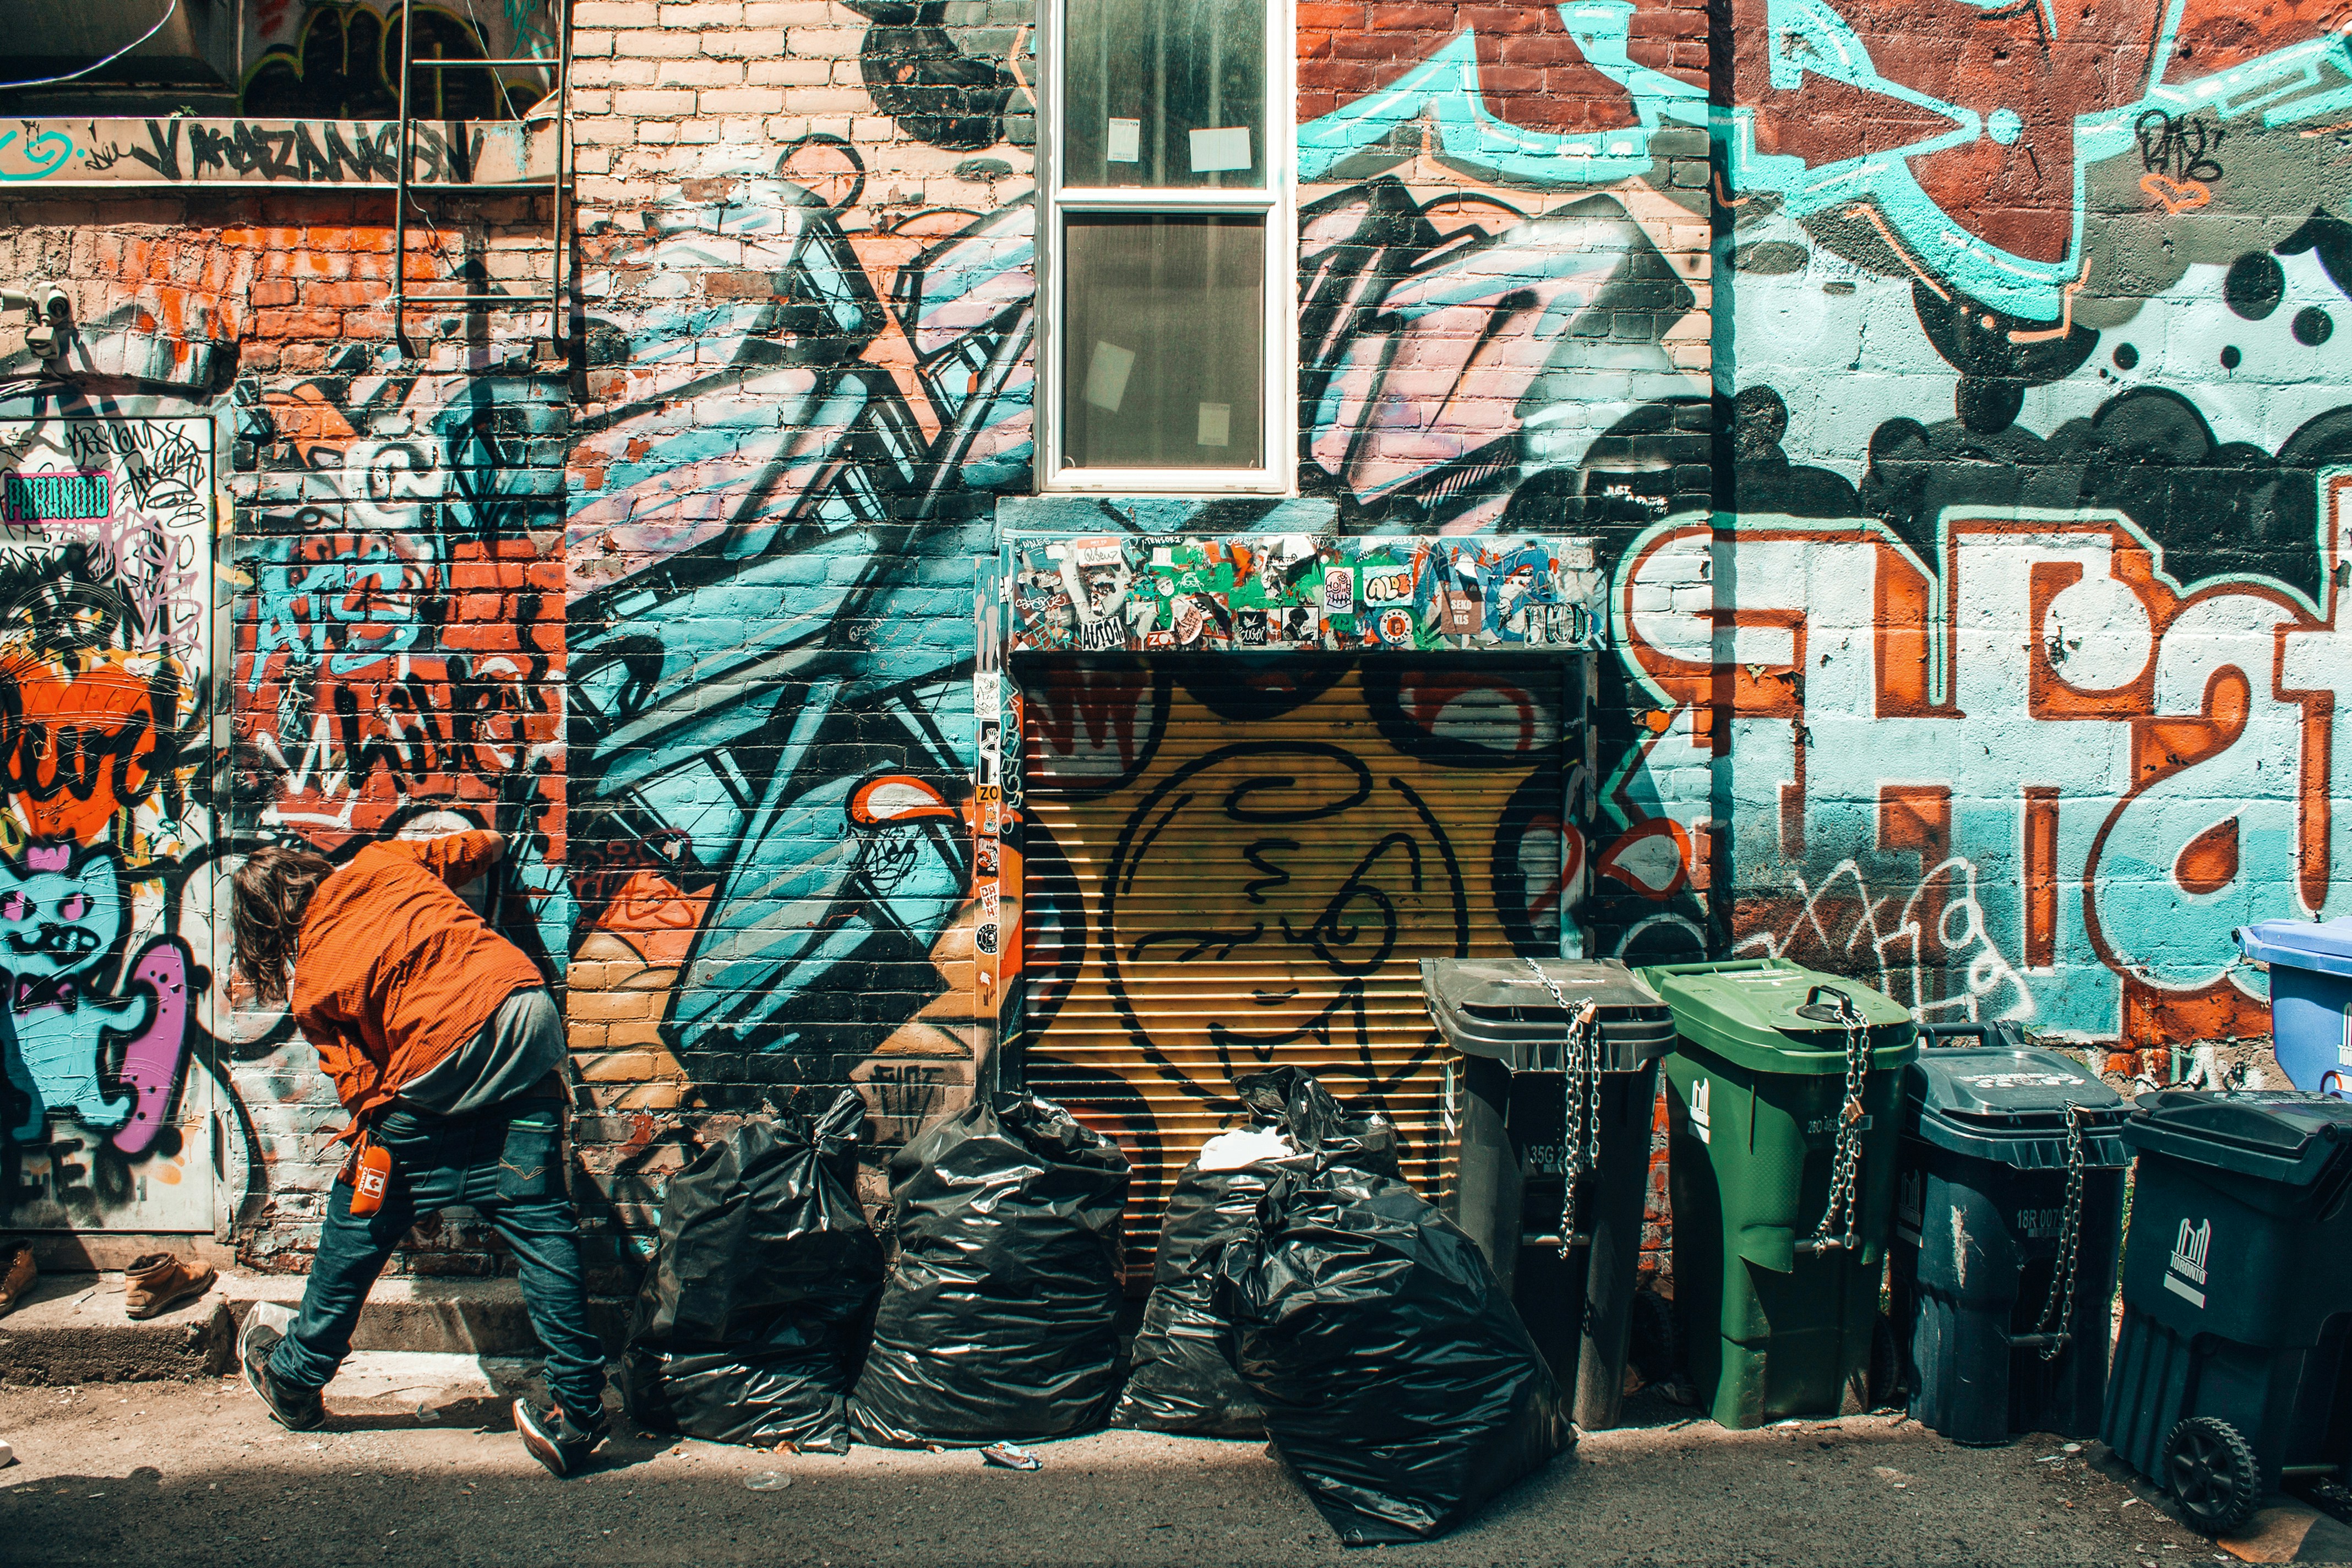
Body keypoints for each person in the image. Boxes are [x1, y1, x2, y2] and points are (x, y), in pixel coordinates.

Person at [228, 830, 608, 1477]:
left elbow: (364, 1092)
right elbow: (472, 847)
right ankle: (579, 1415)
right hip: (526, 1011)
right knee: (543, 1224)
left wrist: (394, 1179)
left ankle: (295, 1378)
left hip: (440, 1051)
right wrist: (498, 838)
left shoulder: (314, 981)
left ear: (267, 924)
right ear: (305, 869)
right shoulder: (382, 859)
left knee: (357, 1220)